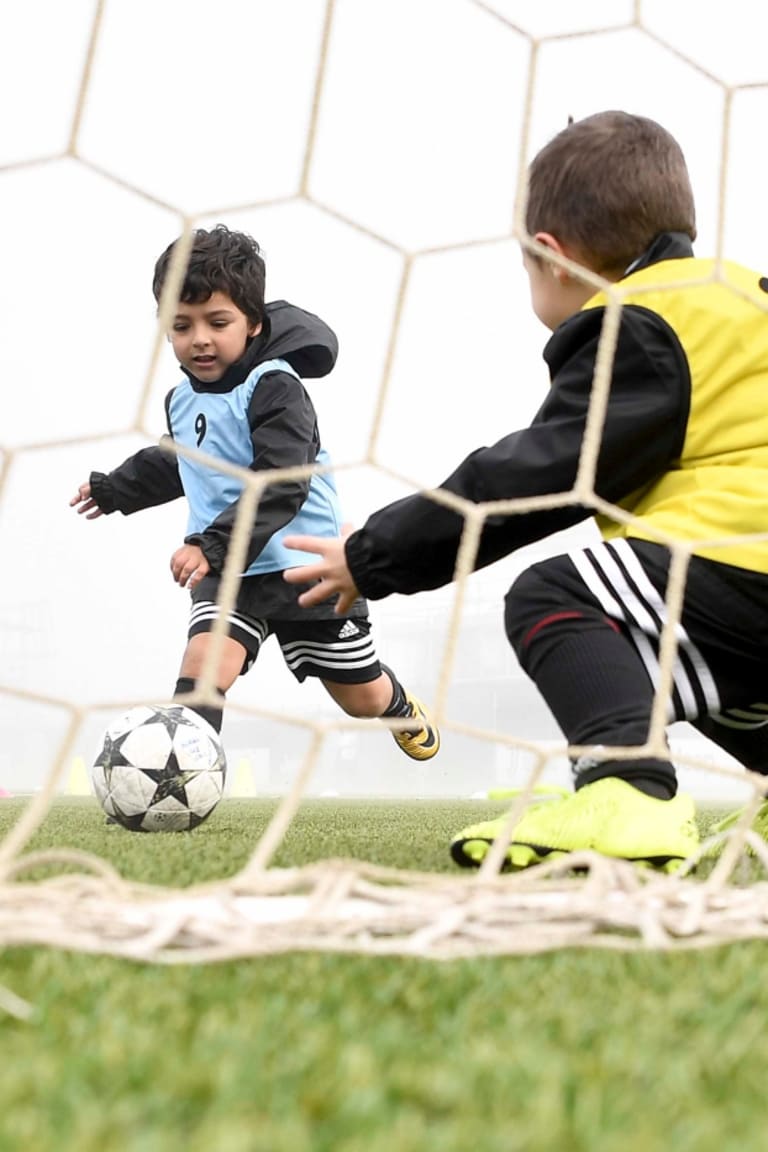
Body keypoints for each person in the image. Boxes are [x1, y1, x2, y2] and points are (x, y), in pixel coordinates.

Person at [282, 110, 768, 873]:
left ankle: (628, 790)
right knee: (700, 657)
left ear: (551, 257)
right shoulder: (744, 293)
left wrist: (373, 555)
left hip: (744, 561)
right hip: (747, 596)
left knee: (558, 597)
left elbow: (538, 476)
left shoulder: (643, 321)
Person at [70, 225, 439, 766]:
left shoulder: (274, 385)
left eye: (217, 323)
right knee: (203, 664)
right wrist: (114, 489)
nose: (199, 339)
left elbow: (282, 482)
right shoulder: (181, 398)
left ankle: (399, 704)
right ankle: (178, 779)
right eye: (181, 325)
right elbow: (180, 462)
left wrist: (209, 544)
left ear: (253, 323)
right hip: (231, 572)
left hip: (305, 570)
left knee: (360, 697)